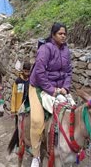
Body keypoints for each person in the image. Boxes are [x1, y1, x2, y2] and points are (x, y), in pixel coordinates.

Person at [28, 23, 72, 167]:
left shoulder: (66, 51)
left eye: (65, 33)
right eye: (60, 33)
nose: (63, 36)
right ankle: (36, 155)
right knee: (37, 120)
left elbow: (68, 72)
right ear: (53, 35)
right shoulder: (45, 49)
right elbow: (40, 73)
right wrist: (52, 90)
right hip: (39, 87)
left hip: (59, 88)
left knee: (73, 113)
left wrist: (65, 88)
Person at [11, 62, 31, 128]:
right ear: (23, 70)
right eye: (25, 71)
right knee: (18, 127)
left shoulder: (31, 81)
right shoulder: (18, 81)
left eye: (28, 72)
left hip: (28, 108)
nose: (26, 73)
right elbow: (14, 96)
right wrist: (13, 110)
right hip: (19, 109)